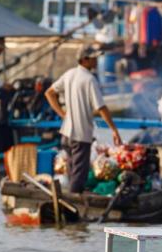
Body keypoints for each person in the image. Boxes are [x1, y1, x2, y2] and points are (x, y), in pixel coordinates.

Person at [45, 44, 122, 194]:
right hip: (80, 135)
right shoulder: (89, 79)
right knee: (79, 174)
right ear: (85, 60)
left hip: (66, 133)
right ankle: (75, 205)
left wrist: (62, 114)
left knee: (73, 171)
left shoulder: (69, 74)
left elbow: (49, 93)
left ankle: (71, 198)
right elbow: (101, 108)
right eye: (93, 58)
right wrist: (114, 130)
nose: (96, 61)